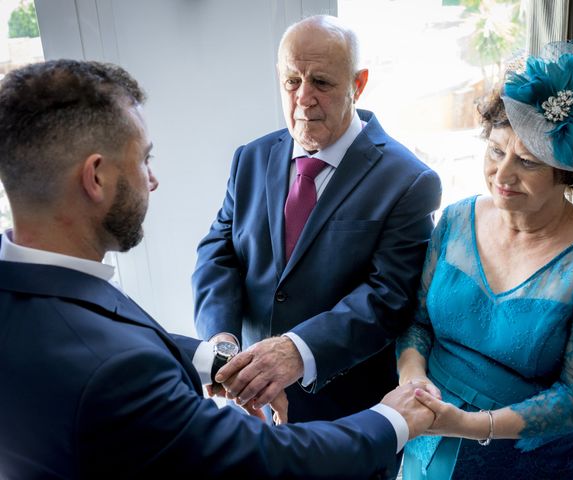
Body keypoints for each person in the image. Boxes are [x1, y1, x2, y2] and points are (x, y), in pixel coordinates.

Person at [0, 59, 439, 479]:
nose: (152, 180)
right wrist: (392, 419)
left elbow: (98, 331)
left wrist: (214, 359)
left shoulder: (34, 290)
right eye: (143, 159)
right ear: (95, 178)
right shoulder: (121, 373)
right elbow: (267, 458)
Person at [396, 44, 573, 479]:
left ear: (569, 174)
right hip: (425, 442)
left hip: (523, 462)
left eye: (526, 162)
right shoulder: (455, 219)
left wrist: (471, 425)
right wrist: (413, 380)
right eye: (495, 151)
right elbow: (417, 322)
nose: (502, 175)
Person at [192, 14, 441, 424]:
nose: (303, 98)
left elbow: (388, 297)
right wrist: (222, 341)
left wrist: (297, 350)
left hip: (345, 411)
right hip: (248, 398)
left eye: (321, 83)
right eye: (292, 81)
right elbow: (219, 252)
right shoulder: (251, 157)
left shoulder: (409, 180)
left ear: (357, 84)